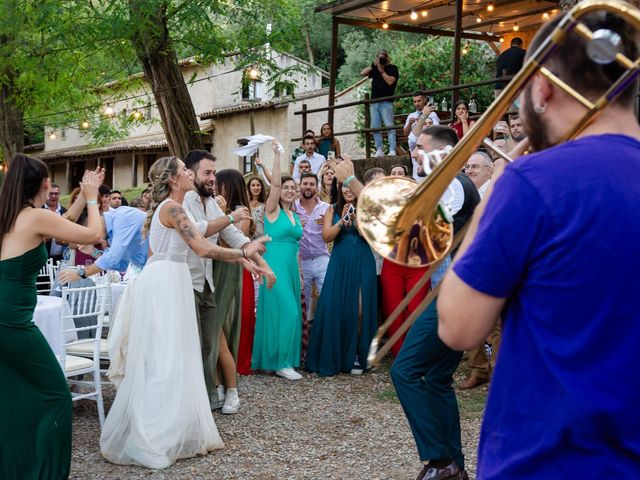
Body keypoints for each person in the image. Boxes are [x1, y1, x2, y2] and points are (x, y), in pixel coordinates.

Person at [438, 11, 640, 479]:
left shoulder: (532, 182)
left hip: (544, 461)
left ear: (542, 89)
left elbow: (458, 329)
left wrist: (491, 203)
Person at [100, 156, 268, 469]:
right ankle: (153, 435)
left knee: (176, 356)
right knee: (166, 358)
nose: (190, 173)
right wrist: (244, 251)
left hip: (170, 280)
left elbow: (167, 248)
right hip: (166, 284)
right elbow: (204, 248)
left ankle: (175, 428)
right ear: (175, 179)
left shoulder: (170, 209)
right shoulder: (173, 208)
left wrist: (244, 252)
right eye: (185, 170)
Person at [0, 155, 104, 479]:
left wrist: (76, 205)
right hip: (13, 322)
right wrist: (91, 198)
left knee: (13, 396)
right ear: (43, 185)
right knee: (57, 395)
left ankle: (15, 469)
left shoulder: (11, 215)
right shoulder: (34, 217)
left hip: (5, 316)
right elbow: (94, 235)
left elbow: (61, 226)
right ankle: (45, 474)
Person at [386, 126, 479, 480]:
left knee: (404, 371)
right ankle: (455, 466)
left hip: (453, 298)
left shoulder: (453, 185)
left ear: (442, 152)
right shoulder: (444, 185)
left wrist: (353, 184)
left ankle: (440, 461)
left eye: (420, 147)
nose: (413, 151)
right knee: (438, 378)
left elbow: (417, 235)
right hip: (455, 294)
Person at [182, 151, 271, 414]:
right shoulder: (183, 201)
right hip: (185, 281)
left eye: (214, 173)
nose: (213, 178)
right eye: (207, 173)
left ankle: (211, 392)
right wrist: (231, 217)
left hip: (206, 281)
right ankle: (193, 399)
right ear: (190, 173)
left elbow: (231, 235)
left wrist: (258, 260)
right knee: (192, 343)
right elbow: (199, 231)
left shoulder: (209, 202)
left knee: (209, 342)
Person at [306, 174, 378, 376]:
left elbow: (370, 237)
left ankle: (358, 354)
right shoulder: (332, 209)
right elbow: (326, 236)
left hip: (363, 260)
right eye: (343, 187)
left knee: (361, 309)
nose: (347, 190)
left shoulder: (366, 208)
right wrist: (342, 221)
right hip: (339, 261)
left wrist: (355, 220)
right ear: (339, 189)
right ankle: (339, 355)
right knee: (336, 308)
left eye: (350, 186)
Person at [252, 140, 304, 380]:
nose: (290, 190)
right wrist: (276, 155)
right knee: (289, 312)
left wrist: (300, 272)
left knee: (286, 313)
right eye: (286, 187)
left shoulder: (295, 214)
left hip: (291, 267)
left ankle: (280, 360)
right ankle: (282, 362)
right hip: (273, 265)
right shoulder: (272, 210)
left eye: (293, 187)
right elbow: (273, 184)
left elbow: (297, 246)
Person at [58, 204, 149, 283]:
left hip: (159, 266)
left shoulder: (124, 216)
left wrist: (80, 273)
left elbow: (113, 256)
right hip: (148, 269)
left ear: (91, 224)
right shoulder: (111, 235)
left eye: (88, 236)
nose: (91, 240)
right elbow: (122, 265)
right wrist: (94, 253)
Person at [294, 172, 331, 355]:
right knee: (304, 305)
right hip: (302, 262)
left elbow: (332, 231)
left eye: (311, 184)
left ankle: (325, 344)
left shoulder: (326, 208)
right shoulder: (292, 208)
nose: (308, 187)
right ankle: (304, 349)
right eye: (305, 184)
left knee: (328, 299)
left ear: (316, 187)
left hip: (323, 258)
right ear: (299, 186)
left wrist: (327, 224)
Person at [361, 49, 399, 157]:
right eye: (379, 57)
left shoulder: (392, 68)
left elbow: (390, 81)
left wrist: (382, 70)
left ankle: (392, 149)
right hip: (374, 102)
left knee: (389, 125)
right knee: (375, 126)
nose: (381, 58)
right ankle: (379, 149)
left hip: (386, 101)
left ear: (387, 57)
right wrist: (373, 65)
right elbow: (362, 73)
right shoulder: (375, 68)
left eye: (383, 57)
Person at [43, 183, 67, 263]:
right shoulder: (39, 210)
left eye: (56, 194)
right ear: (46, 194)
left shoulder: (65, 212)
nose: (53, 196)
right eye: (51, 193)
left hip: (61, 257)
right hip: (44, 257)